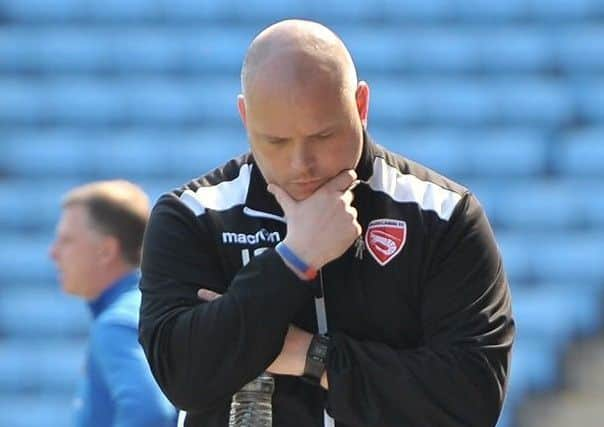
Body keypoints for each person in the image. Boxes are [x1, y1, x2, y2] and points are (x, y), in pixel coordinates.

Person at [139, 19, 515, 427]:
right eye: (276, 141)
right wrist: (294, 260)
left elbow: (472, 400)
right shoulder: (193, 216)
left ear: (361, 106)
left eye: (323, 136)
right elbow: (184, 377)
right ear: (245, 117)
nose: (302, 164)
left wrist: (310, 356)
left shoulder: (442, 215)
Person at [49, 180, 177, 427]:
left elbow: (150, 414)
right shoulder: (153, 306)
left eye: (66, 240)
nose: (53, 253)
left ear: (106, 250)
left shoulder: (117, 323)